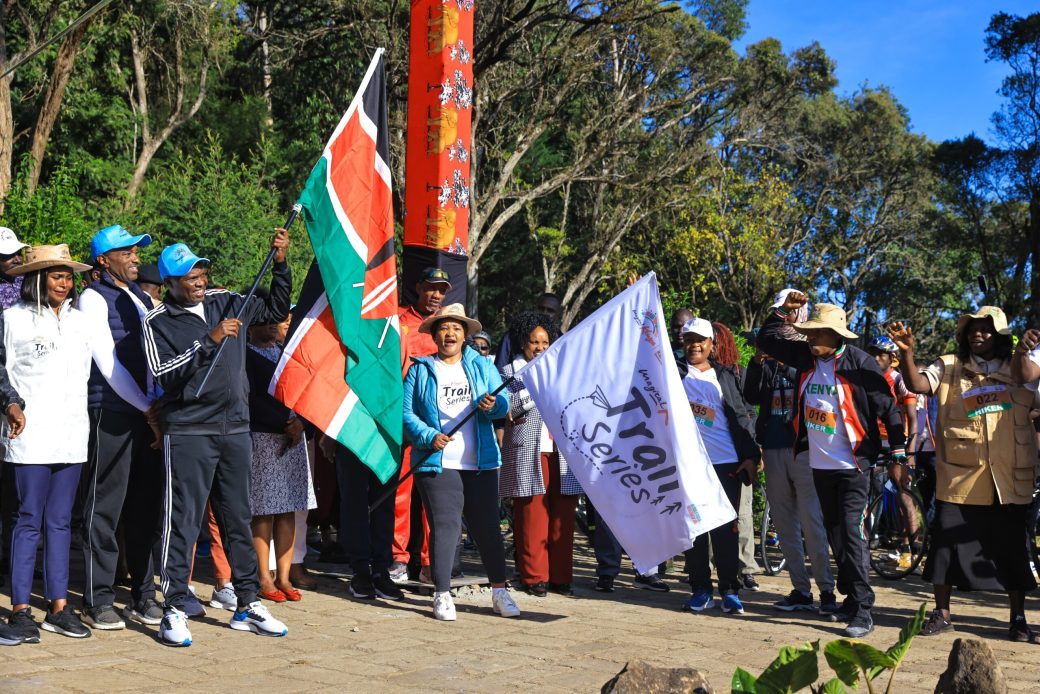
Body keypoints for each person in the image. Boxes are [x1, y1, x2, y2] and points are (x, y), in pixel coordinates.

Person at [142, 233, 291, 646]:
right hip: (189, 431)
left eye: (202, 271)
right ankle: (172, 607)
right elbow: (164, 374)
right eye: (189, 276)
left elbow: (277, 309)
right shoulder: (158, 321)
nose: (199, 280)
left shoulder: (227, 301)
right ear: (171, 283)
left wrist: (280, 264)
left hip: (235, 428)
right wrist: (209, 341)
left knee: (237, 518)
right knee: (183, 521)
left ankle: (246, 603)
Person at [758, 294, 906, 638]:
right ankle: (851, 600)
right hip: (820, 465)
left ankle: (864, 610)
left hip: (854, 465)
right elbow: (765, 339)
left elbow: (889, 408)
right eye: (808, 333)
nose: (810, 339)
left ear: (836, 335)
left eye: (817, 334)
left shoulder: (860, 363)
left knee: (853, 536)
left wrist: (898, 451)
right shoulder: (805, 358)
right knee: (837, 535)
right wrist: (782, 310)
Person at [890, 308, 1039, 642]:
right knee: (944, 545)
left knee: (1014, 550)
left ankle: (1017, 619)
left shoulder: (1017, 370)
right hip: (960, 478)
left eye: (986, 330)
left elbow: (1030, 379)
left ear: (1000, 335)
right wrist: (907, 352)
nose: (978, 335)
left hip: (1008, 480)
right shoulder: (949, 366)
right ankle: (942, 615)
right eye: (973, 330)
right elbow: (917, 384)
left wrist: (1021, 351)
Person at [403, 303, 520, 621]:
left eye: (456, 327)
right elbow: (406, 414)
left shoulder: (483, 366)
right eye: (444, 327)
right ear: (435, 335)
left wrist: (493, 405)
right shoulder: (420, 368)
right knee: (446, 528)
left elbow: (505, 406)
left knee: (487, 529)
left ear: (465, 334)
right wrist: (428, 436)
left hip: (480, 463)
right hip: (438, 463)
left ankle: (499, 591)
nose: (450, 333)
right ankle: (442, 594)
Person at [75, 225, 165, 631]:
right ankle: (99, 598)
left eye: (136, 251)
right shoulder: (92, 298)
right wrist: (148, 408)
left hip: (148, 414)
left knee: (145, 508)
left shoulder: (142, 297)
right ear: (103, 260)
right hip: (112, 412)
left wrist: (158, 406)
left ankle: (144, 593)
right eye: (125, 252)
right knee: (104, 508)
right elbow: (108, 364)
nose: (134, 258)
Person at [3, 245, 95, 642]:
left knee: (60, 522)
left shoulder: (79, 322)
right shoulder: (13, 318)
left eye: (69, 276)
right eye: (57, 275)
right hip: (30, 435)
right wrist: (10, 403)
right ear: (37, 279)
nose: (65, 282)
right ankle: (21, 610)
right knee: (28, 520)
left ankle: (59, 606)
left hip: (72, 433)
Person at [743, 346, 837, 613]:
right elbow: (750, 396)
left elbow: (810, 387)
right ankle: (801, 591)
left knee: (812, 525)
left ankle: (826, 591)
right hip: (772, 449)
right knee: (784, 526)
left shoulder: (806, 359)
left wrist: (784, 362)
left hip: (804, 450)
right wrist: (758, 363)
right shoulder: (766, 365)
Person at [677, 318, 760, 616]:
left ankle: (730, 590)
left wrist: (751, 457)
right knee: (695, 530)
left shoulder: (727, 376)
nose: (694, 345)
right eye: (689, 339)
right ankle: (700, 590)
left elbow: (742, 417)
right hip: (689, 465)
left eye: (700, 340)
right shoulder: (673, 374)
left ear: (712, 344)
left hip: (726, 463)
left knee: (726, 531)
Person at [499, 310, 581, 596]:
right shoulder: (509, 372)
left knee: (563, 516)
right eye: (534, 342)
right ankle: (535, 578)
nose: (540, 348)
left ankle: (561, 578)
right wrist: (539, 384)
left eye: (545, 343)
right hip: (529, 451)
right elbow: (512, 407)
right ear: (523, 343)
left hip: (563, 453)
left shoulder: (563, 373)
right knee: (531, 514)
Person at [245, 308, 317, 602]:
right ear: (252, 324)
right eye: (267, 321)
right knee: (263, 511)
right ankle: (263, 576)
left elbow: (307, 391)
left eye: (276, 320)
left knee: (289, 508)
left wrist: (303, 423)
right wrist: (282, 425)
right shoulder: (244, 356)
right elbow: (249, 398)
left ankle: (284, 576)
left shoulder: (287, 352)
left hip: (294, 437)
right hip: (263, 437)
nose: (274, 326)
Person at [391, 267, 449, 582]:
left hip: (436, 426)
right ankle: (398, 559)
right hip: (402, 422)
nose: (436, 295)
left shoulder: (448, 328)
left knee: (434, 496)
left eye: (441, 289)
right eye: (431, 288)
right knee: (400, 493)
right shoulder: (398, 321)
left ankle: (431, 563)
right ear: (418, 287)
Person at [711, 320, 761, 591]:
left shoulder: (736, 373)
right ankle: (706, 567)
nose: (712, 346)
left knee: (740, 514)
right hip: (711, 457)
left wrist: (752, 451)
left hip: (737, 454)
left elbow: (748, 412)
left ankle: (747, 568)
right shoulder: (693, 375)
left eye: (715, 341)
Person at [866, 335, 920, 571]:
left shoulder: (899, 380)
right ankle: (867, 543)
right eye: (873, 354)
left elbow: (913, 418)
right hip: (872, 441)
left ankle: (909, 549)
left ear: (892, 359)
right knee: (867, 493)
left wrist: (910, 451)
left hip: (897, 442)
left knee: (903, 495)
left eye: (882, 355)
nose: (876, 358)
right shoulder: (866, 378)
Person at [0, 226, 27, 595]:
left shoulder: (27, 291)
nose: (16, 259)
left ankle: (13, 563)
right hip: (4, 397)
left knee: (15, 492)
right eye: (8, 255)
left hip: (21, 402)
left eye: (18, 252)